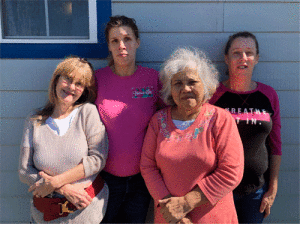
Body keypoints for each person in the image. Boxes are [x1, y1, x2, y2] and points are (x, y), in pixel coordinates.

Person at [140, 47, 244, 224]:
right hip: (170, 218)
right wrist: (173, 211)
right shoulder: (158, 121)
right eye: (178, 83)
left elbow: (231, 171)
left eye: (192, 82)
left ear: (205, 85)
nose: (185, 88)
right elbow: (147, 166)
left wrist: (186, 203)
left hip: (214, 218)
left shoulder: (221, 119)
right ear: (170, 89)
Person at [19, 57, 109, 223]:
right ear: (56, 80)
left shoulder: (87, 113)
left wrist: (56, 181)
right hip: (44, 214)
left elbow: (98, 158)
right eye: (67, 79)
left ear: (84, 90)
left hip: (86, 213)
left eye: (79, 84)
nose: (72, 87)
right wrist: (62, 187)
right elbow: (25, 171)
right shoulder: (34, 120)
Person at [94, 15, 163, 223]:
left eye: (127, 39)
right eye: (115, 41)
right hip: (104, 178)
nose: (121, 45)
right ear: (108, 46)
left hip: (141, 180)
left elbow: (169, 120)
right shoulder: (97, 79)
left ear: (137, 42)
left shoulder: (153, 79)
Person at [209, 31, 282, 223]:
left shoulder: (268, 95)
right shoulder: (213, 95)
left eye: (249, 53)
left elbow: (276, 145)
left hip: (255, 190)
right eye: (236, 53)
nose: (243, 58)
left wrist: (272, 189)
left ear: (257, 58)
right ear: (226, 58)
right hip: (218, 189)